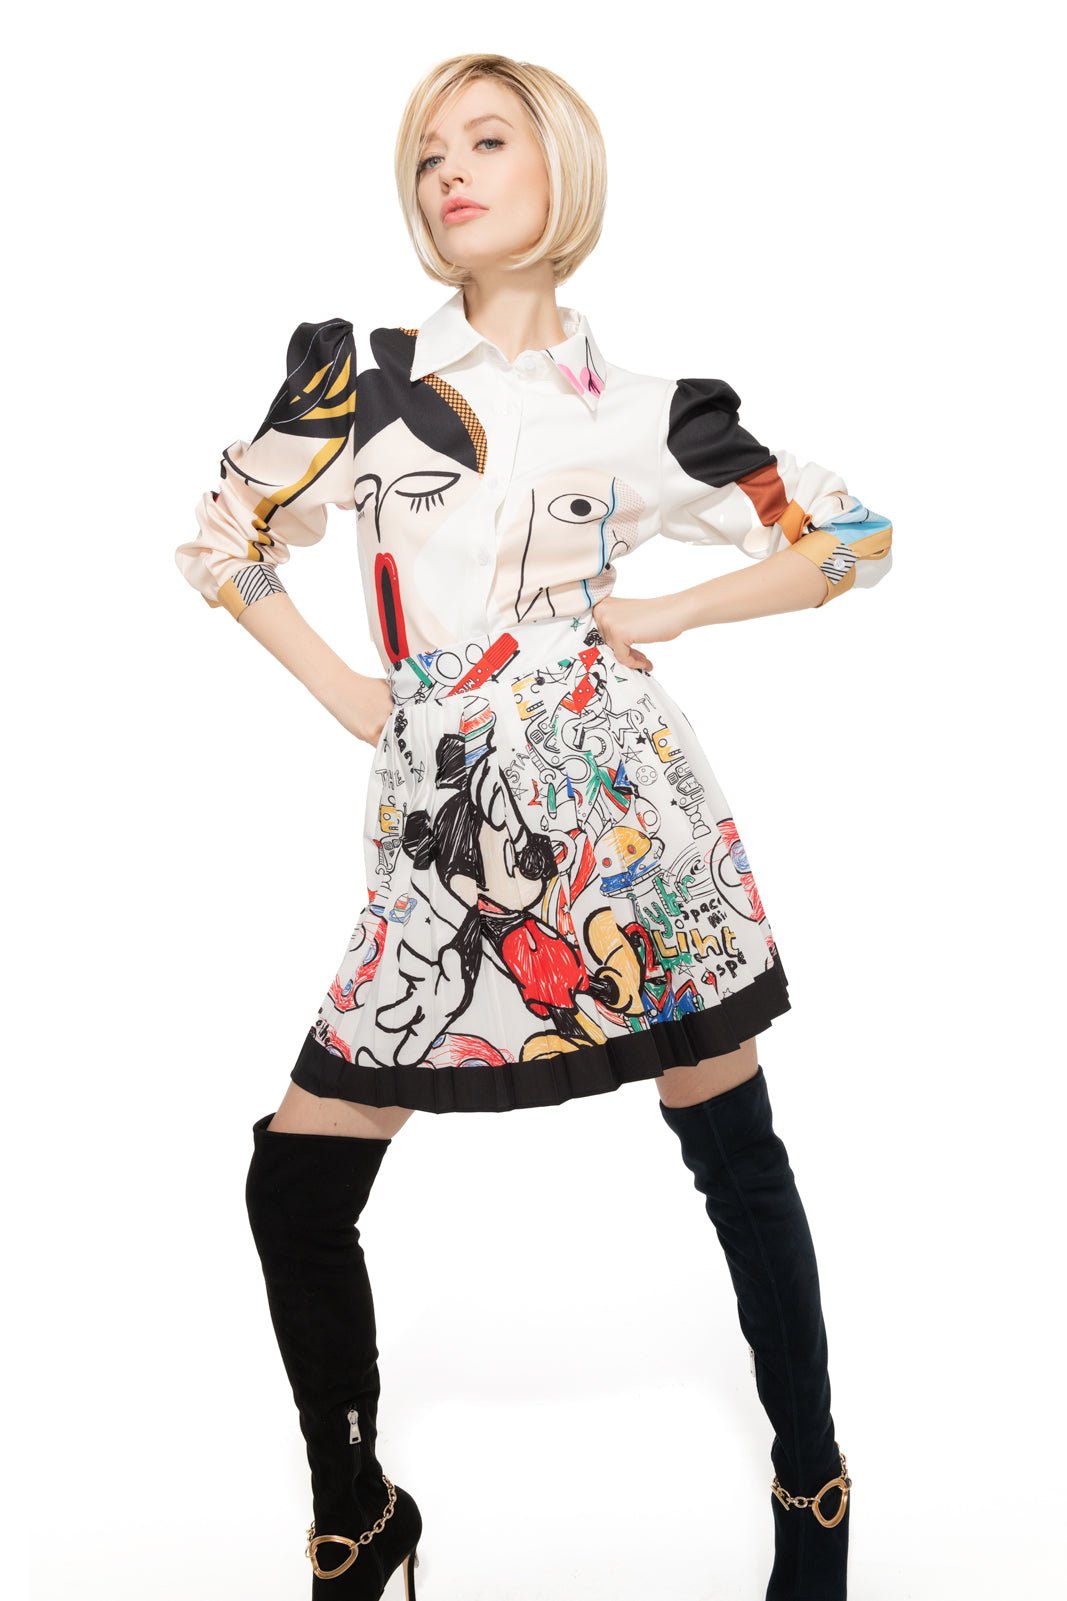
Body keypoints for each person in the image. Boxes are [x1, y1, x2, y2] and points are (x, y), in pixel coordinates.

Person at [176, 51, 889, 1601]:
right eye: (431, 151)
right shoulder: (357, 383)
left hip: (626, 822)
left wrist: (673, 612)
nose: (452, 170)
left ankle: (814, 1481)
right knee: (297, 1176)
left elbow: (851, 536)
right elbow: (226, 533)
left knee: (731, 1138)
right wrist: (349, 692)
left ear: (562, 165)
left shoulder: (649, 415)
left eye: (488, 139)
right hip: (444, 839)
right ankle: (358, 1508)